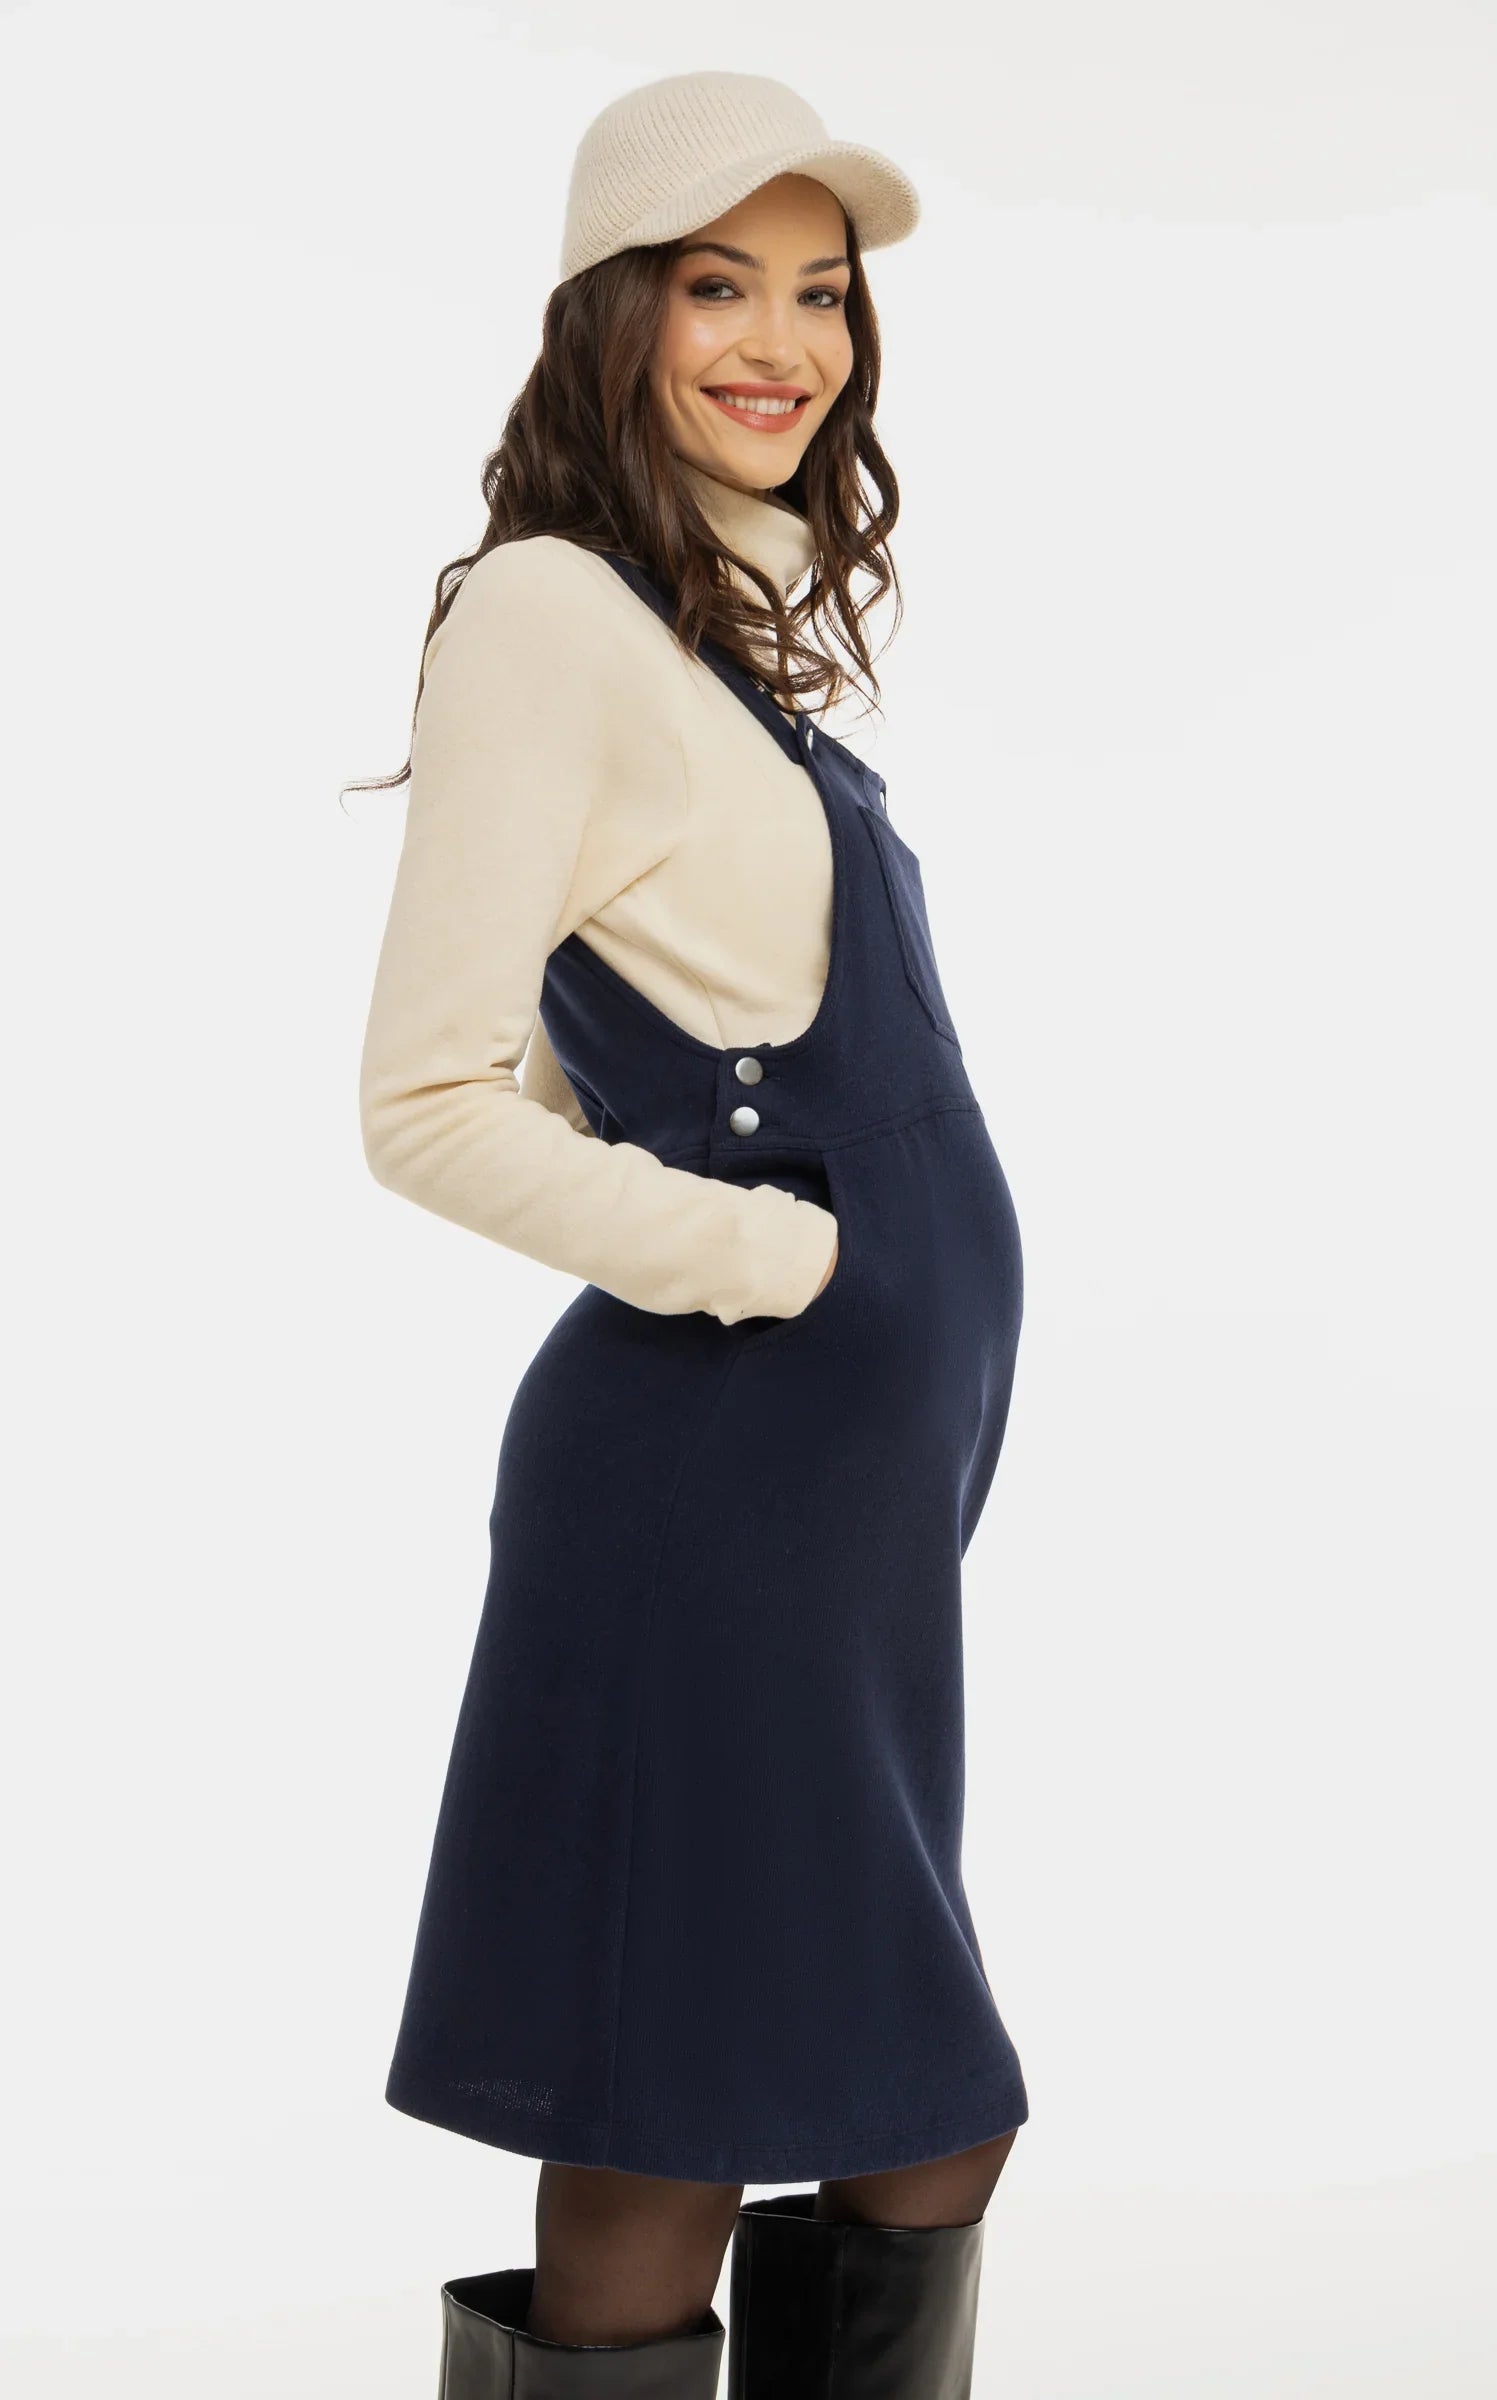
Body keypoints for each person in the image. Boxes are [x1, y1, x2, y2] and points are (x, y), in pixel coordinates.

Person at [354, 68, 1030, 2400]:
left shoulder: (696, 639)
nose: (784, 342)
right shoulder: (547, 612)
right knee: (692, 2111)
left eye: (819, 293)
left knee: (854, 2097)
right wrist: (786, 1265)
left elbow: (606, 1022)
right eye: (718, 285)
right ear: (611, 308)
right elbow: (426, 1105)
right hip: (715, 1491)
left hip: (840, 1517)